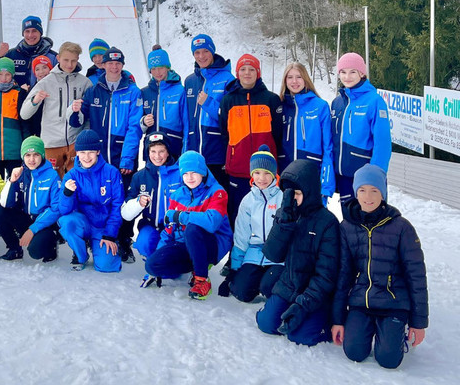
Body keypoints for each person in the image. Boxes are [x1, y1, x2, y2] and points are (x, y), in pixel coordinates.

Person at [332, 165, 428, 369]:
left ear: (383, 194)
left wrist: (418, 323)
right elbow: (344, 275)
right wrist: (338, 319)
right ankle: (366, 328)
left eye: (374, 190)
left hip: (393, 303)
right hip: (361, 302)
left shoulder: (402, 227)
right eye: (362, 190)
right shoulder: (347, 227)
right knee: (354, 352)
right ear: (356, 193)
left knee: (388, 360)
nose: (368, 197)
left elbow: (416, 276)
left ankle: (393, 332)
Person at [68, 46, 143, 262]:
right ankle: (90, 239)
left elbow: (134, 127)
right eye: (110, 63)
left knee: (124, 199)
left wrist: (128, 157)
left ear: (122, 66)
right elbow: (80, 120)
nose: (114, 66)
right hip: (97, 156)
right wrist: (76, 111)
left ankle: (123, 240)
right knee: (92, 196)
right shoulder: (94, 89)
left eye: (118, 63)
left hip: (121, 154)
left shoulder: (132, 91)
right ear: (104, 65)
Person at [256, 160, 340, 346]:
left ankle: (324, 322)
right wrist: (284, 224)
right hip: (290, 283)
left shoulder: (327, 223)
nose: (292, 198)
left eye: (298, 194)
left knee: (300, 336)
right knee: (267, 324)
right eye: (288, 194)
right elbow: (272, 254)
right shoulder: (285, 214)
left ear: (310, 192)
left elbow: (326, 275)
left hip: (316, 294)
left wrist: (303, 304)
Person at [144, 150, 232, 300]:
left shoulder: (217, 192)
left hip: (213, 244)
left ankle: (202, 280)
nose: (189, 178)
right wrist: (157, 261)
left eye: (194, 172)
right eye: (185, 174)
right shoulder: (178, 195)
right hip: (185, 243)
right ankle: (195, 266)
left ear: (203, 172)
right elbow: (168, 230)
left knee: (193, 228)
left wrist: (182, 216)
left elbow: (211, 223)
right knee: (152, 265)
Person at [219, 53, 283, 226]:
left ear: (258, 72)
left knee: (266, 214)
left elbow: (277, 133)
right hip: (238, 168)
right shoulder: (228, 101)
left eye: (251, 69)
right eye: (243, 69)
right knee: (238, 213)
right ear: (237, 73)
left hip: (265, 171)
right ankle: (237, 250)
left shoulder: (271, 99)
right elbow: (225, 132)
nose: (247, 73)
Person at [218, 146, 284, 302]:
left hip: (277, 255)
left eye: (267, 173)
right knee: (241, 293)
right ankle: (255, 279)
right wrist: (233, 271)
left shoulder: (282, 198)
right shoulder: (248, 200)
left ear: (274, 174)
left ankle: (268, 282)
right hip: (254, 253)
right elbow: (241, 236)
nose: (262, 178)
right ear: (252, 174)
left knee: (270, 288)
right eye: (257, 172)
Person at [20, 42, 92, 178]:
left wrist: (84, 136)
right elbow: (24, 114)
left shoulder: (85, 83)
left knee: (76, 184)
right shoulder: (46, 82)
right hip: (51, 144)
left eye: (73, 60)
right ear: (58, 58)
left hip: (74, 143)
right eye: (66, 60)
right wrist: (34, 101)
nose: (70, 64)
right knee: (52, 183)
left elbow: (88, 115)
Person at [58, 130, 125, 273]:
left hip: (103, 227)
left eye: (90, 152)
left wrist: (110, 234)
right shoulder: (71, 175)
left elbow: (117, 206)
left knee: (107, 266)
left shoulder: (111, 172)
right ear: (77, 153)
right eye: (82, 152)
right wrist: (67, 193)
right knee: (67, 223)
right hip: (83, 223)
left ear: (98, 152)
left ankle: (101, 245)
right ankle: (80, 255)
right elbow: (64, 211)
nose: (86, 157)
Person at [331, 52, 392, 202]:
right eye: (343, 72)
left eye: (353, 72)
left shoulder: (374, 101)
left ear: (362, 73)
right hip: (343, 176)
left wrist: (377, 175)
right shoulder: (337, 103)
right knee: (349, 222)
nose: (347, 77)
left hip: (366, 178)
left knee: (371, 222)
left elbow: (383, 143)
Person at [121, 132, 181, 277]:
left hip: (175, 230)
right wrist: (137, 203)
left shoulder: (180, 174)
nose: (157, 156)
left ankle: (174, 262)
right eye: (153, 151)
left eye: (161, 151)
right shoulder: (139, 176)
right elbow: (126, 213)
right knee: (144, 242)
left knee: (174, 273)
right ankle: (154, 261)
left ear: (168, 152)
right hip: (150, 226)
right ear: (148, 152)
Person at [0, 136, 61, 262]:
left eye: (36, 155)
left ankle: (51, 248)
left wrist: (33, 230)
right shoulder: (21, 173)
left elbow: (56, 208)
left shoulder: (52, 176)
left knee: (35, 251)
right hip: (26, 219)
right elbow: (6, 204)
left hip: (43, 224)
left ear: (42, 156)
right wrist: (12, 181)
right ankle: (15, 249)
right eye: (28, 155)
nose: (32, 159)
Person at [278, 62, 335, 200]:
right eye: (290, 77)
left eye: (299, 77)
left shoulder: (320, 106)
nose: (294, 81)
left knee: (313, 220)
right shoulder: (279, 106)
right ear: (285, 80)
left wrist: (326, 184)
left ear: (306, 79)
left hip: (311, 177)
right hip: (285, 177)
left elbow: (328, 147)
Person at [183, 34, 233, 187]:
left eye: (205, 51)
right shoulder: (190, 81)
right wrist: (186, 148)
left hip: (216, 153)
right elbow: (187, 119)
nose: (201, 56)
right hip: (194, 153)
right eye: (197, 52)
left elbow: (231, 118)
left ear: (212, 51)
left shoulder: (228, 79)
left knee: (218, 199)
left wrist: (208, 103)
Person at [140, 48, 188, 158]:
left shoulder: (180, 91)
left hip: (173, 149)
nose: (157, 72)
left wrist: (185, 150)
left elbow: (186, 123)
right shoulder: (144, 92)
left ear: (167, 67)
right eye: (154, 69)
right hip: (151, 151)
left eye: (161, 68)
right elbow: (137, 124)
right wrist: (143, 122)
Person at [0, 15, 57, 87]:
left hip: (43, 97)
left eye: (34, 31)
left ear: (40, 33)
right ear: (23, 33)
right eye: (27, 31)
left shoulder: (53, 57)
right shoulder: (12, 55)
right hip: (16, 97)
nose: (30, 35)